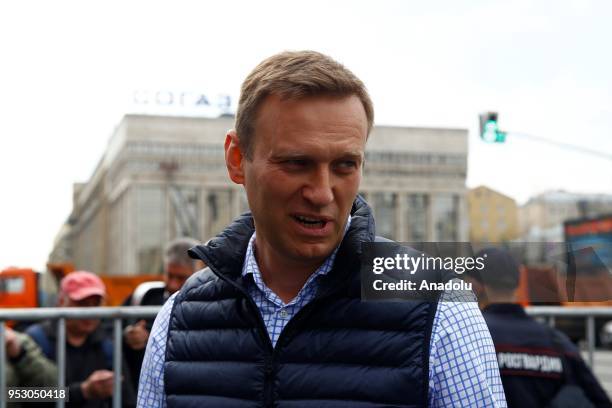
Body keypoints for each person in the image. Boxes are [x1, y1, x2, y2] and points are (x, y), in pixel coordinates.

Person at [137, 50, 507, 407]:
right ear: (237, 159)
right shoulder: (179, 320)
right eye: (297, 163)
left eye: (345, 165)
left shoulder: (440, 311)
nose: (322, 193)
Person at [467, 247, 611, 408]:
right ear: (517, 285)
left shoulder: (468, 340)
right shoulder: (556, 342)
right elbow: (600, 401)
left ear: (476, 286)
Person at [26, 271, 136, 408]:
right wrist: (82, 391)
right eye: (82, 303)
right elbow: (19, 394)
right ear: (61, 302)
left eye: (95, 304)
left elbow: (127, 398)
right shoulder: (36, 340)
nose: (90, 312)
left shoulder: (106, 345)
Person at [122, 237, 205, 388]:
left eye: (181, 278)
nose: (173, 284)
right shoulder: (144, 296)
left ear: (199, 273)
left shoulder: (211, 302)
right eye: (169, 275)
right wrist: (129, 335)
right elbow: (112, 329)